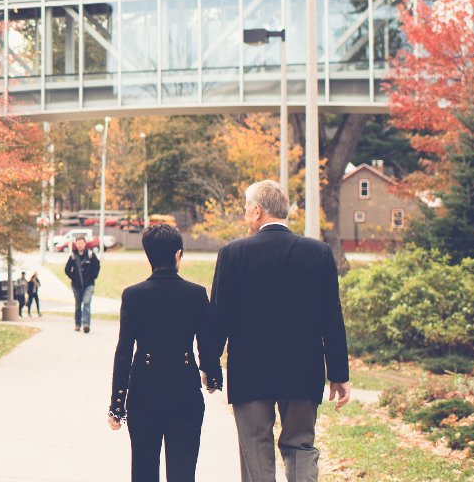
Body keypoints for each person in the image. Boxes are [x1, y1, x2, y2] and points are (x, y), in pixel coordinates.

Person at [204, 180, 350, 482]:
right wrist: (339, 373)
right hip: (303, 369)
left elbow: (219, 316)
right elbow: (331, 318)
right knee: (301, 446)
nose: (246, 217)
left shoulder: (233, 253)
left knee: (255, 447)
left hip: (250, 370)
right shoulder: (319, 253)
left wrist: (209, 364)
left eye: (247, 210)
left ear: (257, 212)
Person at [107, 224, 221, 482]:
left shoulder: (133, 296)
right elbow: (207, 342)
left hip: (143, 392)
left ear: (148, 255)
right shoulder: (196, 294)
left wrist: (117, 404)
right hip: (184, 391)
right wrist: (212, 375)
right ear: (177, 254)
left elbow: (124, 351)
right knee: (183, 472)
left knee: (144, 470)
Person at [64, 235, 101, 333]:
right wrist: (73, 277)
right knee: (77, 305)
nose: (80, 245)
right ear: (76, 244)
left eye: (81, 243)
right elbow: (67, 270)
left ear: (85, 243)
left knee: (86, 303)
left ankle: (86, 325)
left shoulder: (90, 255)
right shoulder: (73, 256)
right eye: (78, 243)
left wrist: (92, 277)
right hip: (76, 285)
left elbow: (97, 267)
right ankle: (77, 324)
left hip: (89, 285)